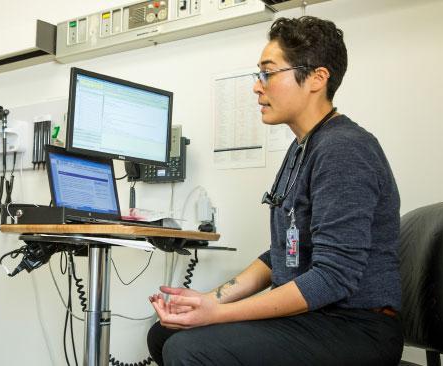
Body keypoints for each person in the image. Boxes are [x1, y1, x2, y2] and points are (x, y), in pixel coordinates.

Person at [146, 16, 403, 366]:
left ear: (317, 78)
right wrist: (210, 300)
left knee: (187, 349)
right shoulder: (303, 148)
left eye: (268, 72)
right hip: (319, 319)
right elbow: (281, 254)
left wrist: (217, 315)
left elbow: (333, 277)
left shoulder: (344, 149)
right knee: (164, 334)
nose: (257, 86)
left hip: (357, 328)